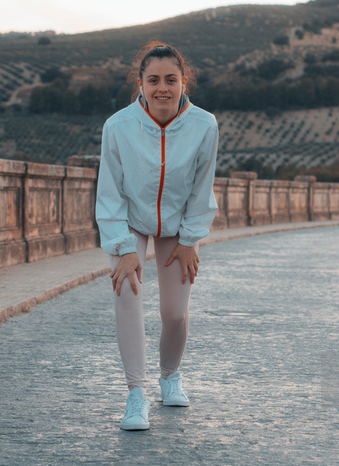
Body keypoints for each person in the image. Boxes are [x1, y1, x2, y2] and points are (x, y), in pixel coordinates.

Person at [96, 41, 219, 431]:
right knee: (127, 296)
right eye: (153, 80)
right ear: (140, 83)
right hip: (129, 221)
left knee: (175, 312)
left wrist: (189, 239)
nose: (162, 88)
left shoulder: (205, 125)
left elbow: (203, 187)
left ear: (184, 82)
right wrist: (122, 247)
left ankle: (170, 376)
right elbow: (109, 189)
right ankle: (136, 394)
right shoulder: (117, 126)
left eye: (170, 79)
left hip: (179, 227)